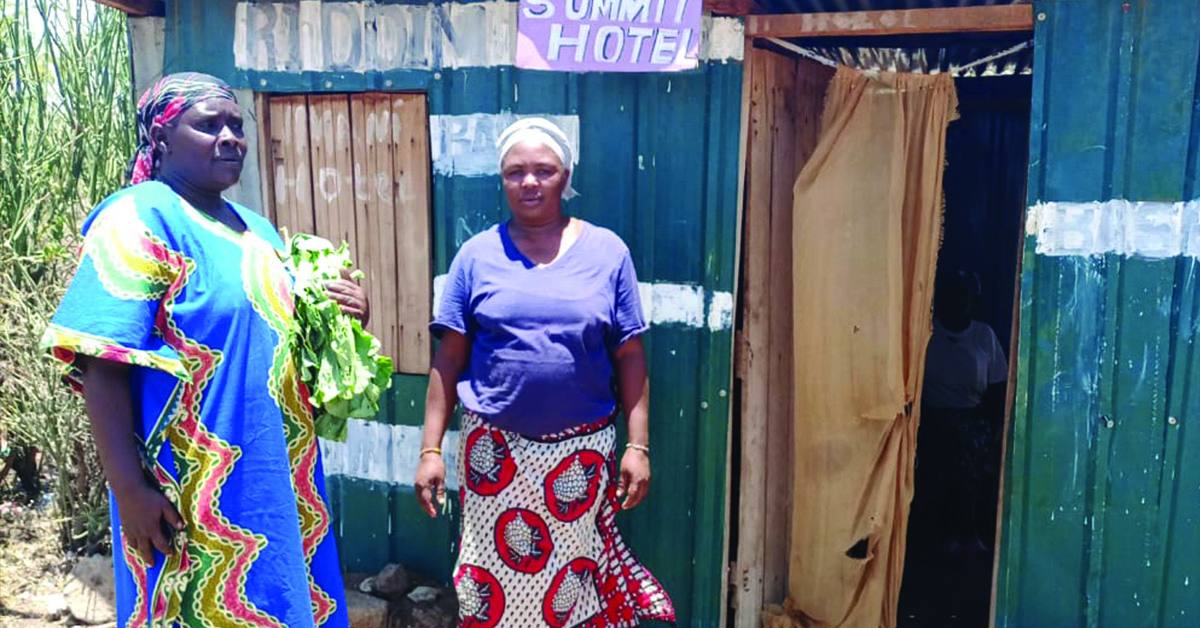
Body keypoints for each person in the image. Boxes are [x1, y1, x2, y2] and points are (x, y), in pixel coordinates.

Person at [41, 73, 365, 628]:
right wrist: (129, 490)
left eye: (236, 125)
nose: (230, 137)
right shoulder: (138, 218)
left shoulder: (258, 231)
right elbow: (100, 365)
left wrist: (343, 315)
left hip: (274, 474)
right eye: (208, 124)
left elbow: (276, 340)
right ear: (162, 141)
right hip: (190, 487)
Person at [414, 118, 676, 627]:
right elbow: (447, 361)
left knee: (569, 583)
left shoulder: (607, 252)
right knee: (487, 585)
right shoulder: (476, 256)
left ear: (566, 176)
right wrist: (430, 451)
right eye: (515, 172)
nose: (529, 182)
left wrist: (637, 446)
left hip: (577, 460)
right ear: (501, 179)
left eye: (543, 170)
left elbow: (630, 355)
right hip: (494, 459)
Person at [918, 269, 1008, 557]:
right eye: (950, 295)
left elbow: (998, 390)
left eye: (962, 296)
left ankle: (954, 532)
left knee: (964, 443)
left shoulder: (984, 336)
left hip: (973, 417)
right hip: (931, 415)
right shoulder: (925, 331)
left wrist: (990, 428)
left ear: (971, 301)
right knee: (949, 443)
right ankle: (961, 531)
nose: (955, 302)